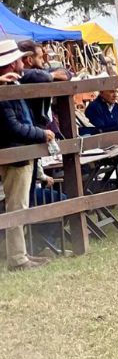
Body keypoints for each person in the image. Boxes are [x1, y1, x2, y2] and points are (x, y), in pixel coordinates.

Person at [0, 39, 52, 271]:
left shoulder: (11, 85)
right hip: (16, 153)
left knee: (19, 205)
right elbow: (14, 128)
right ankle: (18, 258)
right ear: (12, 64)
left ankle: (20, 254)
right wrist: (41, 134)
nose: (23, 63)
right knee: (17, 207)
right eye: (19, 60)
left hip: (18, 152)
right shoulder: (5, 91)